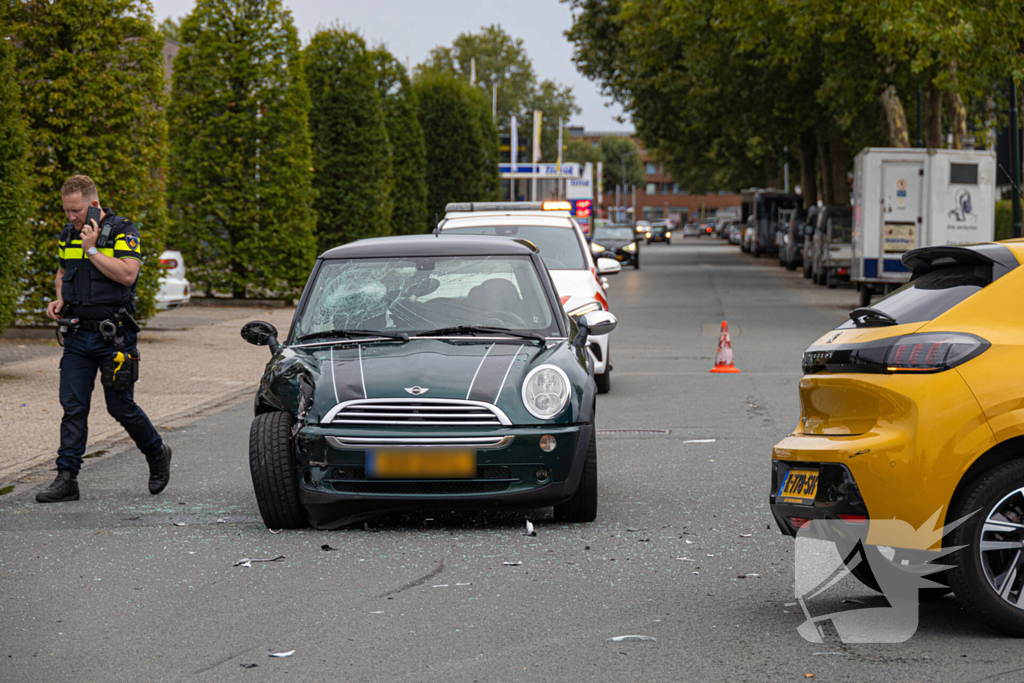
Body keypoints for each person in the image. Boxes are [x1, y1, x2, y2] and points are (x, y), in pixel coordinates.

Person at [36, 175, 171, 503]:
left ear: (94, 205)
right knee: (73, 406)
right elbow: (62, 272)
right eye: (67, 211)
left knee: (120, 406)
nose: (71, 217)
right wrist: (59, 299)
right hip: (78, 335)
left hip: (115, 337)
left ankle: (157, 452)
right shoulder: (67, 234)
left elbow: (127, 273)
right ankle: (67, 477)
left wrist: (92, 249)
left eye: (77, 211)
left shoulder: (123, 230)